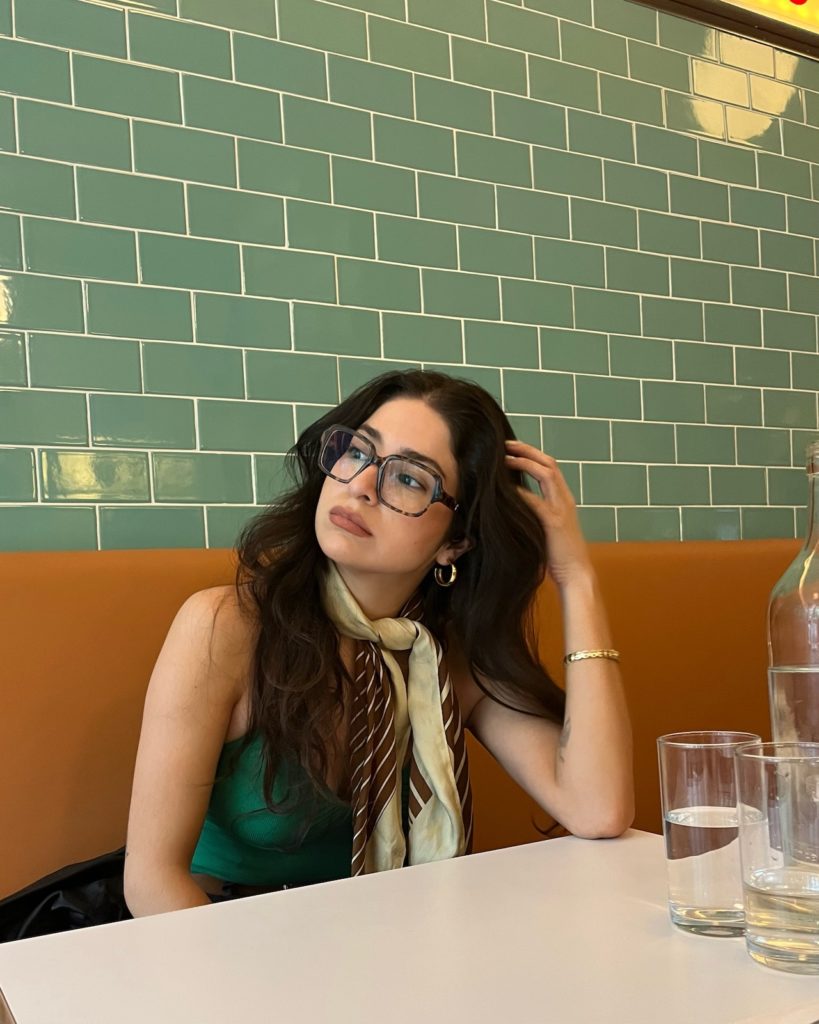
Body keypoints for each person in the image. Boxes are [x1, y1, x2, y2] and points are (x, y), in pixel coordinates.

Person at [124, 370, 633, 916]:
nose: (361, 484)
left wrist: (576, 578)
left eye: (410, 479)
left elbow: (596, 808)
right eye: (357, 452)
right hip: (217, 943)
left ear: (455, 542)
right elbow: (152, 881)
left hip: (386, 943)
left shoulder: (443, 659)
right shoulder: (225, 627)